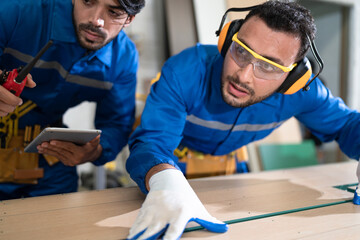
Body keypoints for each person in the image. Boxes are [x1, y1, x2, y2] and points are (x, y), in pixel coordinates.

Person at [125, 1, 360, 239]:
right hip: (172, 159)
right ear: (227, 40)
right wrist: (164, 178)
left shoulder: (303, 94)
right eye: (241, 51)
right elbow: (153, 142)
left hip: (230, 162)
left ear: (293, 79)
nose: (243, 76)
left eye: (268, 66)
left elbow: (347, 124)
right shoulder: (186, 71)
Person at [0, 0, 145, 200]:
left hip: (46, 155)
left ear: (129, 19)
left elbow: (116, 124)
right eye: (88, 2)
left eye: (113, 12)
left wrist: (94, 152)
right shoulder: (16, 10)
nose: (97, 20)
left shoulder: (123, 59)